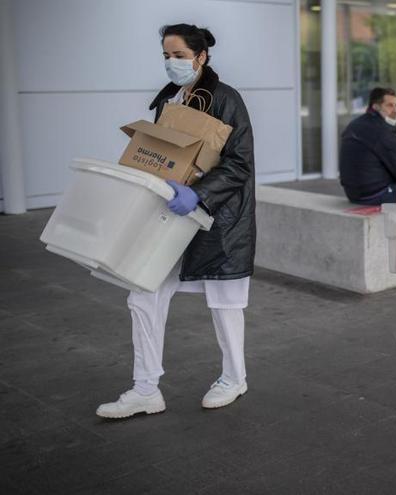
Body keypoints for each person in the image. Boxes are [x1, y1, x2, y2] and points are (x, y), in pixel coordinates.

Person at [96, 23, 256, 419]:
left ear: (201, 56)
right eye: (166, 56)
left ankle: (234, 378)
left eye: (179, 56)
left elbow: (239, 164)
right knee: (143, 293)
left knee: (224, 304)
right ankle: (146, 388)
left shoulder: (226, 99)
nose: (171, 63)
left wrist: (199, 193)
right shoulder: (170, 97)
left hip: (217, 219)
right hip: (167, 214)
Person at [339, 87, 396, 205]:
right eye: (389, 105)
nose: (395, 110)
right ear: (375, 106)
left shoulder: (355, 124)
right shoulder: (383, 131)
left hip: (353, 193)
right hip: (375, 195)